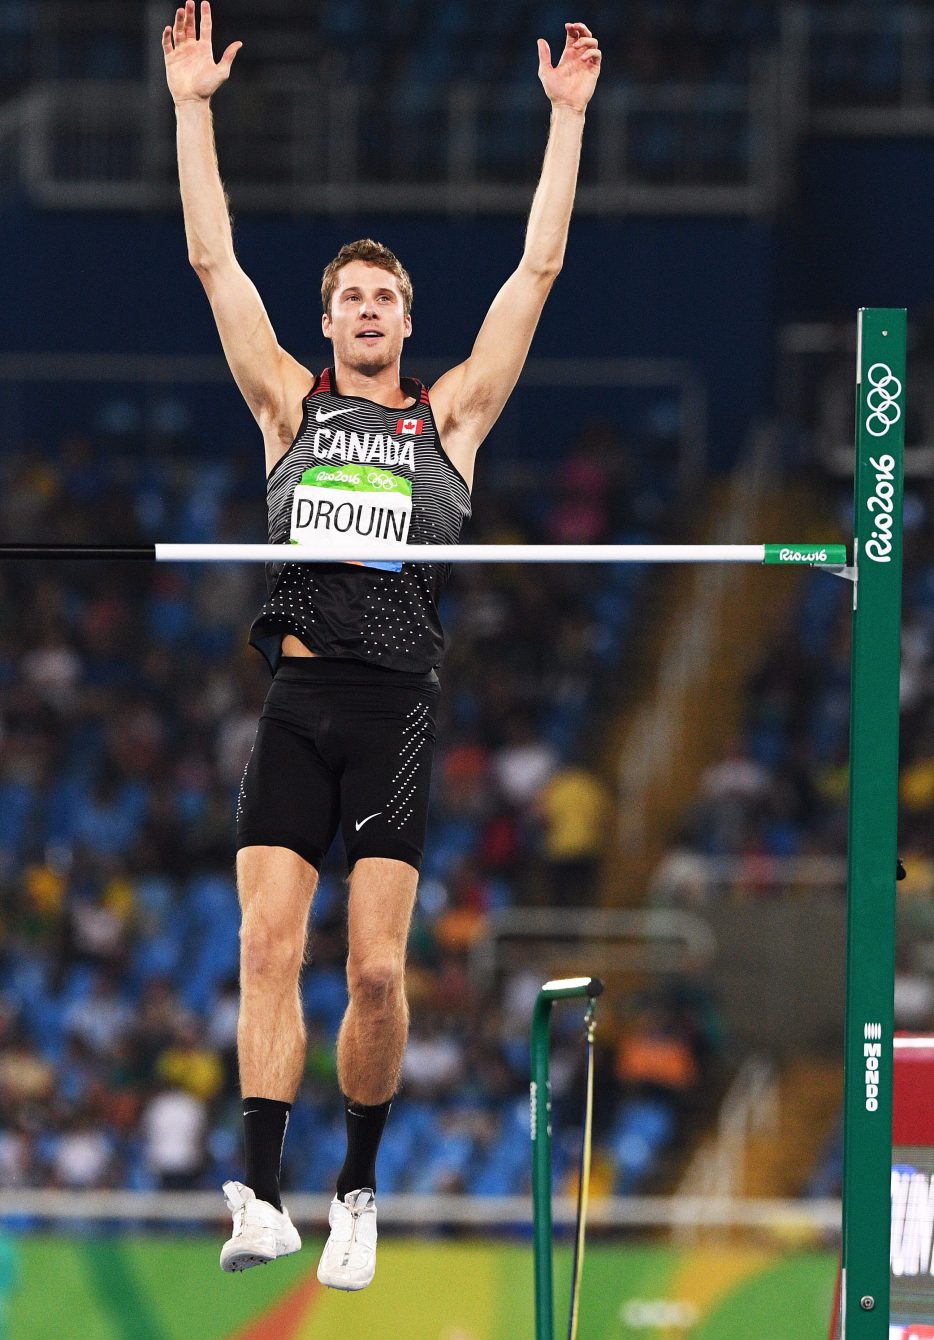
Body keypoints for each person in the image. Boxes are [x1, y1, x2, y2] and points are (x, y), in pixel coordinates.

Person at [162, 0, 602, 1289]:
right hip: (295, 702)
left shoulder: (450, 423)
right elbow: (211, 260)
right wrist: (192, 107)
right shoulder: (281, 404)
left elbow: (536, 275)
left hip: (396, 707)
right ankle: (267, 1194)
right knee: (261, 945)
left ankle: (358, 1188)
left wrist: (565, 122)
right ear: (330, 318)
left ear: (406, 324)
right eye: (347, 295)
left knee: (373, 971)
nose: (363, 307)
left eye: (383, 296)